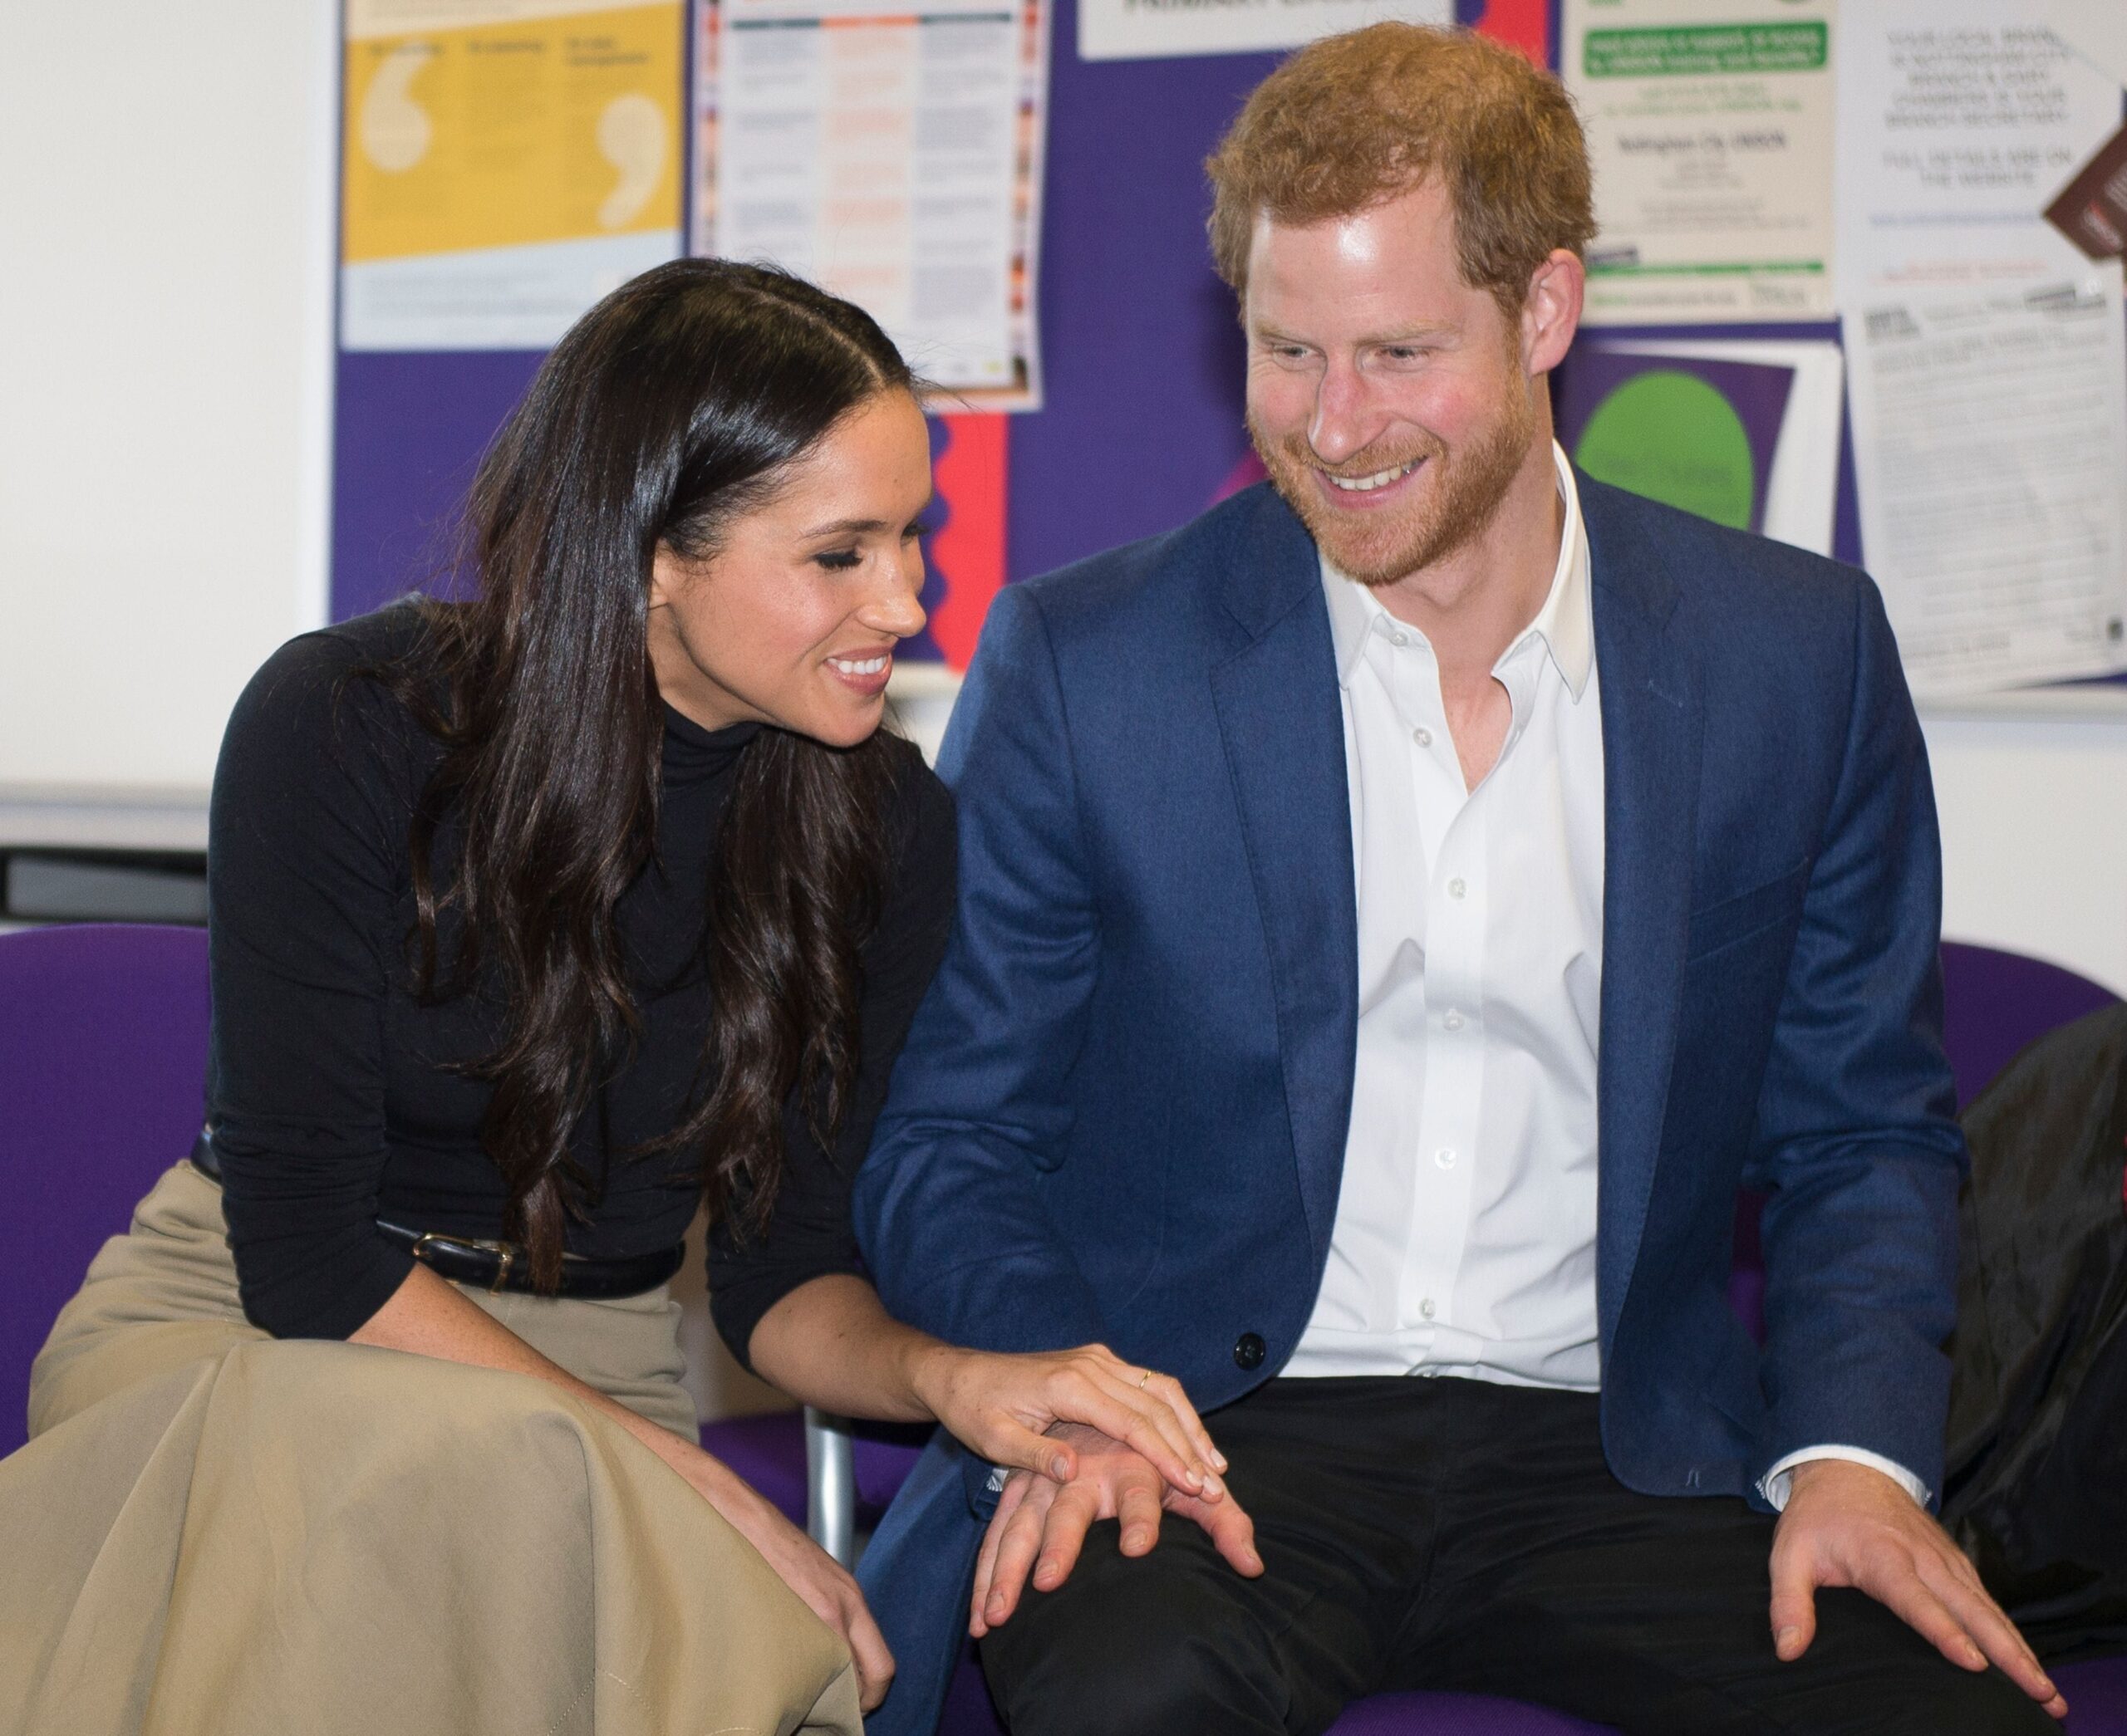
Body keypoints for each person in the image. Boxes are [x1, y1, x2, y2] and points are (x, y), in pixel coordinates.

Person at [851, 25, 2069, 1736]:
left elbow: (1859, 1128)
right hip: (1202, 1431)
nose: (1332, 426)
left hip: (1620, 1443)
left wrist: (1854, 1458)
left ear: (1545, 311)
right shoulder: (1085, 661)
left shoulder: (1788, 659)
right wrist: (1063, 1386)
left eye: (1397, 352)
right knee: (1126, 1704)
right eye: (1287, 351)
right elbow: (948, 1137)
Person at [0, 258, 1225, 1736]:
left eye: (913, 535)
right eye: (841, 553)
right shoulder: (347, 726)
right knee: (391, 1506)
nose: (907, 598)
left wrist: (958, 1375)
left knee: (590, 1552)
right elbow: (307, 1253)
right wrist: (693, 1480)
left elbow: (781, 1285)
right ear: (654, 552)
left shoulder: (886, 830)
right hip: (264, 1341)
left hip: (589, 1365)